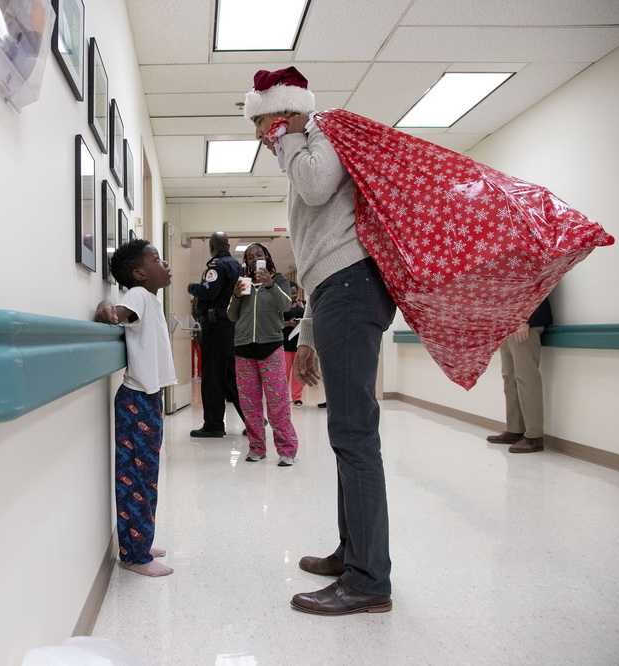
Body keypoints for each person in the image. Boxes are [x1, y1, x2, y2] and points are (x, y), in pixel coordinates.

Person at [245, 66, 397, 614]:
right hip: (336, 290)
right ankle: (353, 551)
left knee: (354, 435)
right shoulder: (307, 146)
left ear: (284, 112)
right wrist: (307, 330)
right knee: (345, 434)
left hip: (353, 287)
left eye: (268, 126)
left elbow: (316, 187)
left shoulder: (325, 133)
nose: (268, 141)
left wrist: (287, 137)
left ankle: (368, 580)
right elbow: (316, 253)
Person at [95, 240, 176, 577]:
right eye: (157, 259)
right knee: (137, 481)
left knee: (145, 478)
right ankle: (134, 555)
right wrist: (107, 308)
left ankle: (139, 542)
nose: (165, 263)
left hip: (147, 398)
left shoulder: (151, 300)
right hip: (137, 402)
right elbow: (118, 313)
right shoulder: (140, 296)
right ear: (140, 273)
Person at [228, 243, 300, 466]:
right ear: (246, 262)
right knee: (249, 404)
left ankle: (287, 449)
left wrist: (270, 284)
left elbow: (285, 304)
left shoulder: (279, 281)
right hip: (243, 349)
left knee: (277, 402)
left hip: (271, 347)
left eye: (258, 255)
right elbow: (232, 316)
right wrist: (236, 296)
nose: (253, 259)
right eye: (249, 257)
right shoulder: (244, 283)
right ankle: (256, 447)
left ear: (266, 257)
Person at [187, 231, 246, 437]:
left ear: (212, 247)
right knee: (230, 376)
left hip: (216, 326)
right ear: (228, 246)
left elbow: (208, 292)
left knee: (212, 375)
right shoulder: (238, 267)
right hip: (232, 326)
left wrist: (192, 287)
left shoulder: (216, 266)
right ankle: (254, 419)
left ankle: (213, 425)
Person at [486, 297, 553, 454]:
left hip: (524, 322)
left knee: (526, 378)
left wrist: (525, 318)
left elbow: (537, 284)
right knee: (509, 378)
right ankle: (515, 430)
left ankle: (534, 437)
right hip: (507, 323)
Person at [282, 281, 306, 406]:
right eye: (291, 293)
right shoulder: (281, 305)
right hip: (284, 344)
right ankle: (283, 397)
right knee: (284, 373)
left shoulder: (302, 305)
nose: (293, 295)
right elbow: (275, 323)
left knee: (298, 372)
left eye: (295, 293)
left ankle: (297, 397)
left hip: (298, 344)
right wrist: (287, 323)